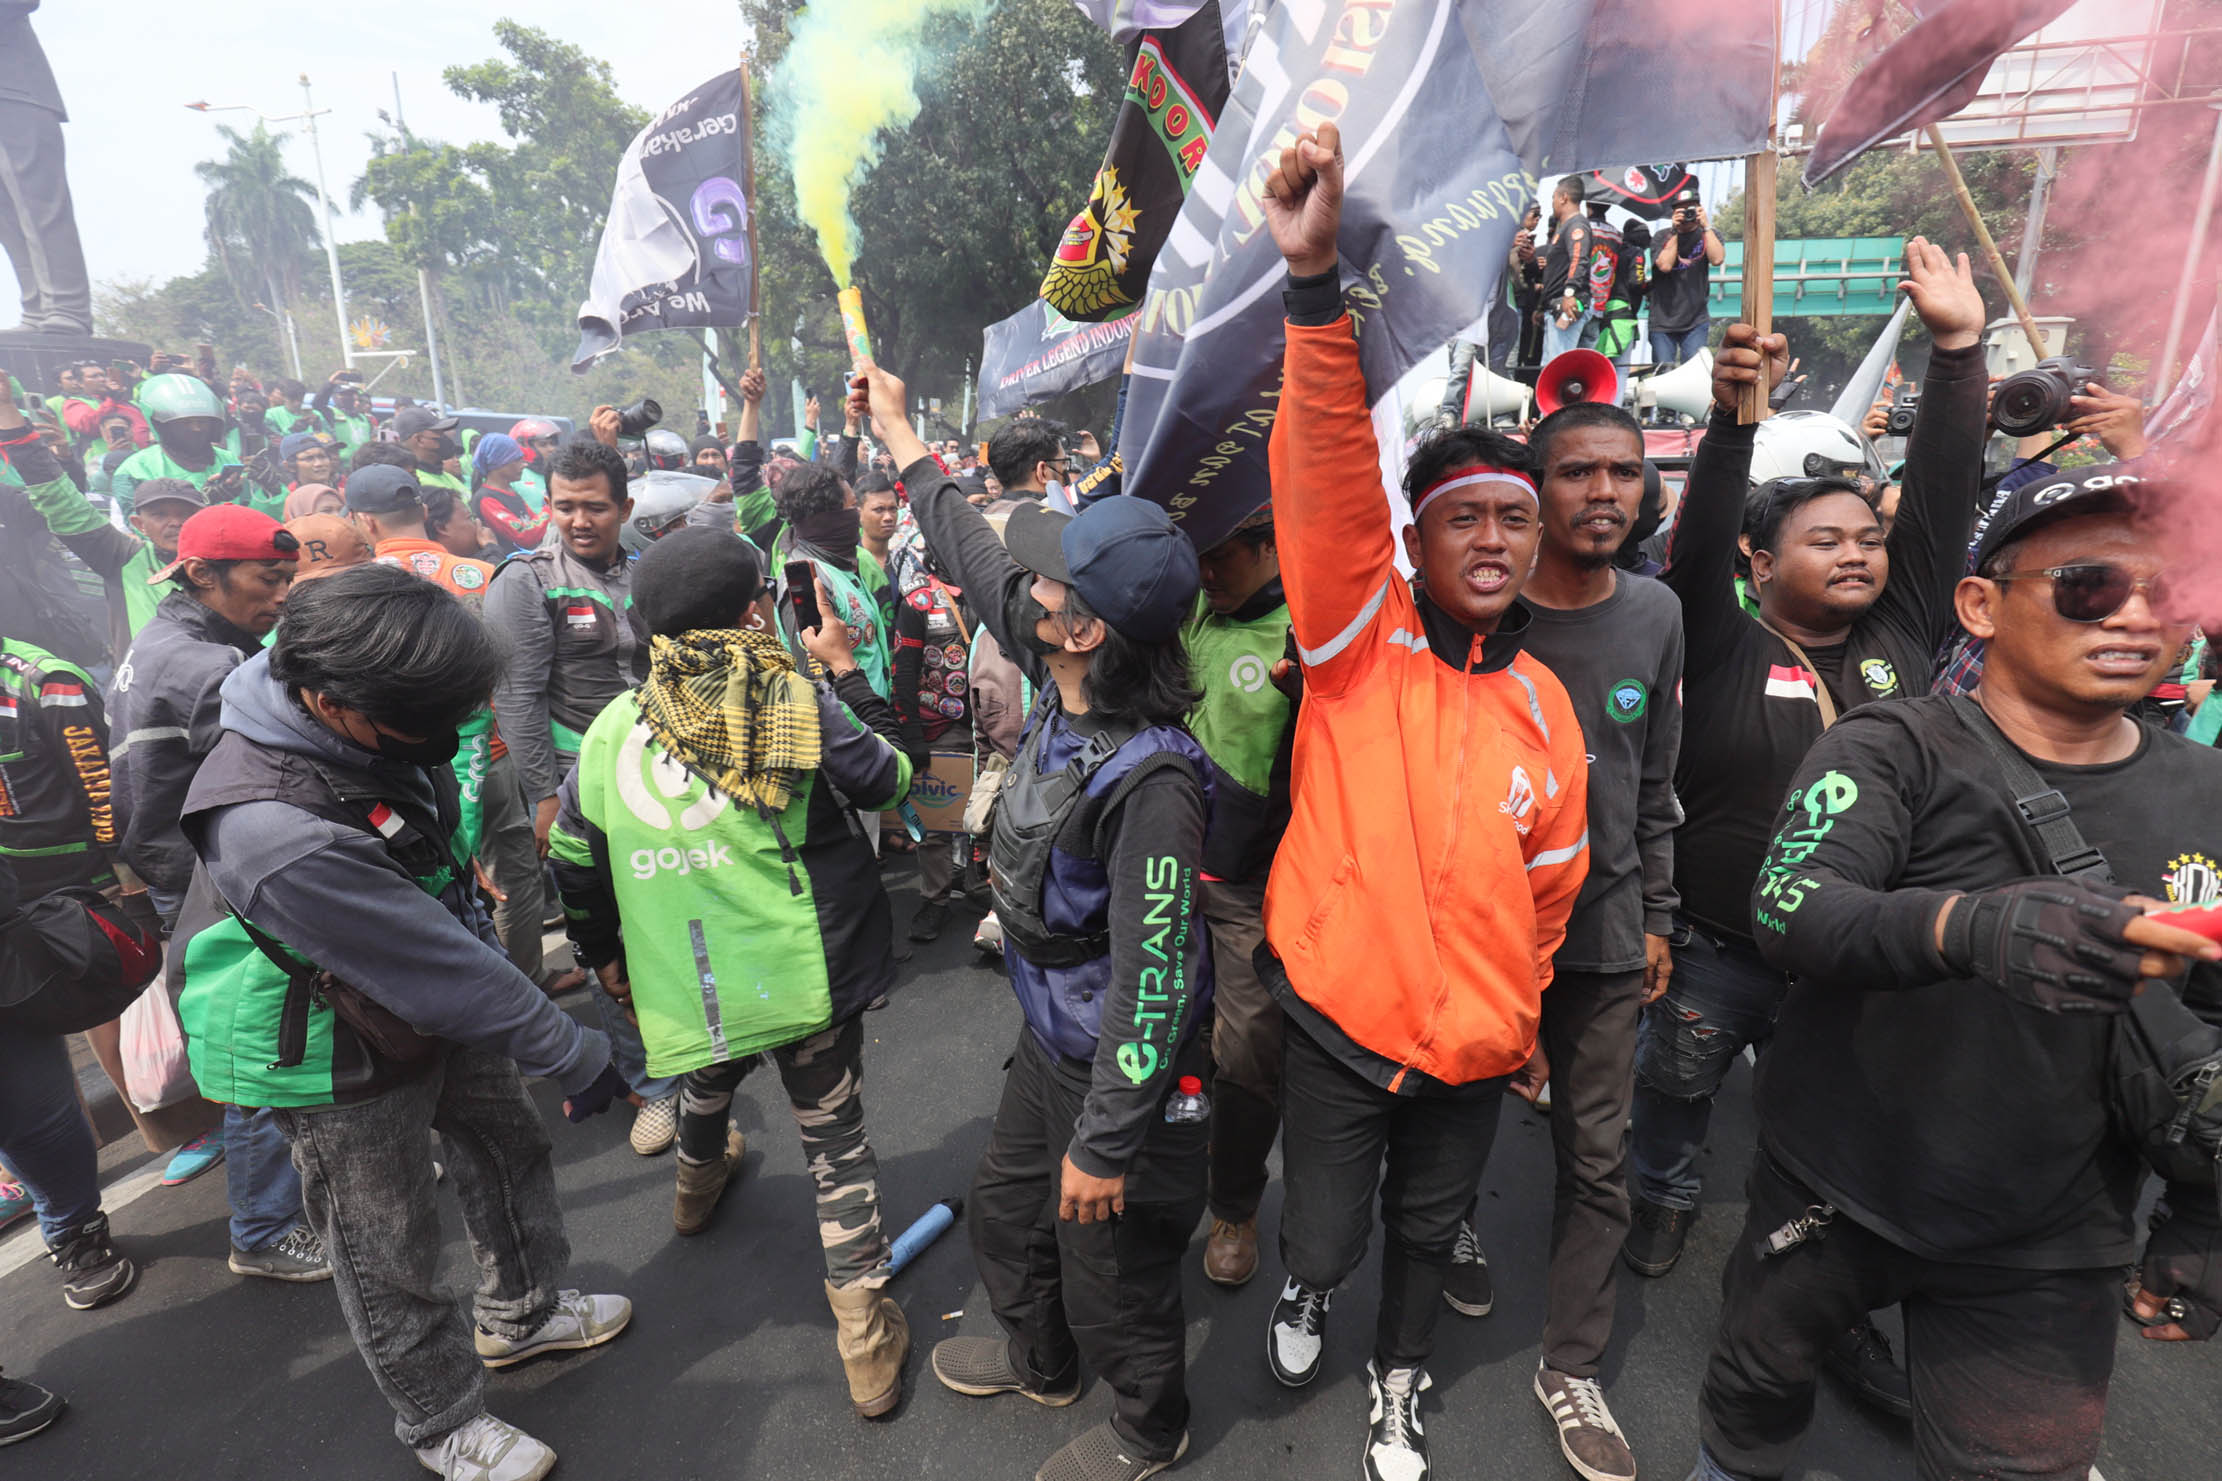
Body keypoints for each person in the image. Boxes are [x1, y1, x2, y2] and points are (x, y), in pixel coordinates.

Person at [1688, 465, 2222, 1481]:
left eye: (2171, 589)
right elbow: (1791, 906)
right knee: (1751, 1407)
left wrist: (2197, 1215)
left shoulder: (2208, 790)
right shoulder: (1892, 744)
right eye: (2086, 583)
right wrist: (1967, 928)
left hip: (2052, 1237)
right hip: (1836, 1185)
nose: (2135, 613)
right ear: (1979, 604)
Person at [1256, 123, 1592, 1481]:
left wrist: (1522, 1009)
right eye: (1466, 518)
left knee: (1423, 1236)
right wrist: (1311, 286)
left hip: (1471, 1052)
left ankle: (1394, 1386)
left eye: (1515, 518)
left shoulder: (1546, 711)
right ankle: (1298, 1286)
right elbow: (1327, 474)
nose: (1496, 539)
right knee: (1328, 1233)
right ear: (1418, 540)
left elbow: (1554, 883)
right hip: (1339, 1024)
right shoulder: (1355, 643)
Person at [171, 562, 631, 1481]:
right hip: (321, 1036)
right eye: (421, 725)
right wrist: (574, 1049)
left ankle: (525, 1311)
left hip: (412, 981)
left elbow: (429, 906)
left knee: (505, 1144)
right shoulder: (273, 824)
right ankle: (440, 1417)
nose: (440, 739)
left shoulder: (358, 694)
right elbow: (437, 967)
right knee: (388, 1239)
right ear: (328, 701)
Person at [1629, 244, 1988, 1413]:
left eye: (1863, 541)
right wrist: (1733, 425)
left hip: (1845, 962)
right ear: (1755, 560)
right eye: (1822, 540)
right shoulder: (1719, 632)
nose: (1853, 554)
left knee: (1834, 1137)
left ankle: (1821, 1298)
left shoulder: (1901, 641)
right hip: (1714, 950)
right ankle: (1665, 1194)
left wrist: (1958, 352)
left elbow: (1938, 496)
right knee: (1677, 1088)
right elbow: (1689, 540)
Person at [867, 362, 1215, 1481]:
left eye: (1053, 582)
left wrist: (1110, 1138)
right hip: (1048, 1038)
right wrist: (904, 441)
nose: (1031, 583)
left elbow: (1155, 981)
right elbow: (976, 558)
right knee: (1010, 1214)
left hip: (1121, 1064)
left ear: (1086, 631)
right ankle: (1043, 1358)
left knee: (1112, 1261)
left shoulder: (1151, 787)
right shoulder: (1056, 654)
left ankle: (1146, 1427)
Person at [549, 527, 916, 1417]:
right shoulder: (793, 697)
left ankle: (695, 1189)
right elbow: (890, 777)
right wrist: (843, 672)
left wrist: (605, 957)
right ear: (757, 608)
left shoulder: (610, 730)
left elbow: (571, 856)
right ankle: (866, 1340)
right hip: (803, 974)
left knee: (710, 1069)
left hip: (691, 979)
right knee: (835, 1144)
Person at [1427, 400, 1684, 1481]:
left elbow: (1656, 779)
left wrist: (1658, 914)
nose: (1601, 493)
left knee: (1596, 1156)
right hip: (1468, 939)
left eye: (1621, 472)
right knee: (1449, 1123)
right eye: (1574, 473)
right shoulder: (1461, 609)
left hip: (1606, 937)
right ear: (1533, 496)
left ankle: (1570, 1362)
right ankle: (1448, 1228)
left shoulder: (1658, 613)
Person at [106, 503, 332, 1277]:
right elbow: (278, 766)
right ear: (203, 573)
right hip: (214, 875)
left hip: (181, 872)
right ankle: (265, 1228)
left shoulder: (161, 642)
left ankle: (325, 1175)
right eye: (268, 580)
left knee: (271, 1038)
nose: (279, 596)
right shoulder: (206, 668)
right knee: (264, 1046)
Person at [483, 439, 679, 1155]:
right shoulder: (527, 580)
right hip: (576, 781)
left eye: (595, 505)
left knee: (662, 909)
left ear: (624, 506)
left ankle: (687, 1044)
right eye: (565, 506)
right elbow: (518, 695)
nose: (579, 520)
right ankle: (650, 1087)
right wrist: (542, 796)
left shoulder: (649, 567)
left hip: (661, 773)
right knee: (604, 932)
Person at [1184, 508, 1298, 1290]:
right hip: (1156, 869)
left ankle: (1233, 1205)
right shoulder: (1183, 607)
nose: (1206, 574)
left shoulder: (1306, 637)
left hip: (1248, 886)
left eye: (1221, 556)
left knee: (1249, 1049)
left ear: (1269, 545)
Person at [109, 373, 253, 519]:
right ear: (163, 426)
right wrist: (201, 504)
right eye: (186, 423)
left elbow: (253, 518)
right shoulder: (134, 470)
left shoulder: (226, 458)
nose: (196, 428)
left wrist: (269, 491)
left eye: (202, 422)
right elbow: (143, 532)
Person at [1648, 187, 1725, 369]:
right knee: (1663, 374)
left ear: (1699, 209)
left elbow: (1717, 259)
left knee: (1694, 372)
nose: (1687, 214)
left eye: (1691, 209)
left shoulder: (1709, 235)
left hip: (1695, 320)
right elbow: (1665, 266)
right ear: (1673, 213)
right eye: (1681, 210)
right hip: (1662, 322)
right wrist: (1675, 232)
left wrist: (1706, 226)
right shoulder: (1661, 237)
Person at [1540, 175, 1595, 367]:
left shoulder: (1576, 225)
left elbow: (1579, 259)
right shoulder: (1563, 228)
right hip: (1555, 306)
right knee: (1549, 368)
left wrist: (1569, 293)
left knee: (1557, 368)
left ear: (1563, 197)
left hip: (1568, 305)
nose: (1553, 203)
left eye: (1554, 198)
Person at [470, 433, 545, 557]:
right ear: (499, 464)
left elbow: (533, 522)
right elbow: (524, 536)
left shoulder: (510, 491)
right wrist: (549, 509)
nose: (524, 464)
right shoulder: (487, 499)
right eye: (517, 460)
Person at [985, 417, 1069, 504]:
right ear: (1043, 472)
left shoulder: (990, 512)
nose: (1066, 469)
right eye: (1064, 463)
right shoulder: (1057, 514)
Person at [395, 408, 468, 499]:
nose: (445, 438)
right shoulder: (415, 483)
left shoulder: (446, 475)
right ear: (419, 440)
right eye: (439, 433)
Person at [309, 371, 375, 461]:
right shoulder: (330, 413)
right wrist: (329, 384)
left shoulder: (364, 418)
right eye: (342, 394)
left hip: (363, 464)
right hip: (341, 466)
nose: (347, 397)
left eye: (350, 394)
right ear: (334, 397)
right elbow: (317, 404)